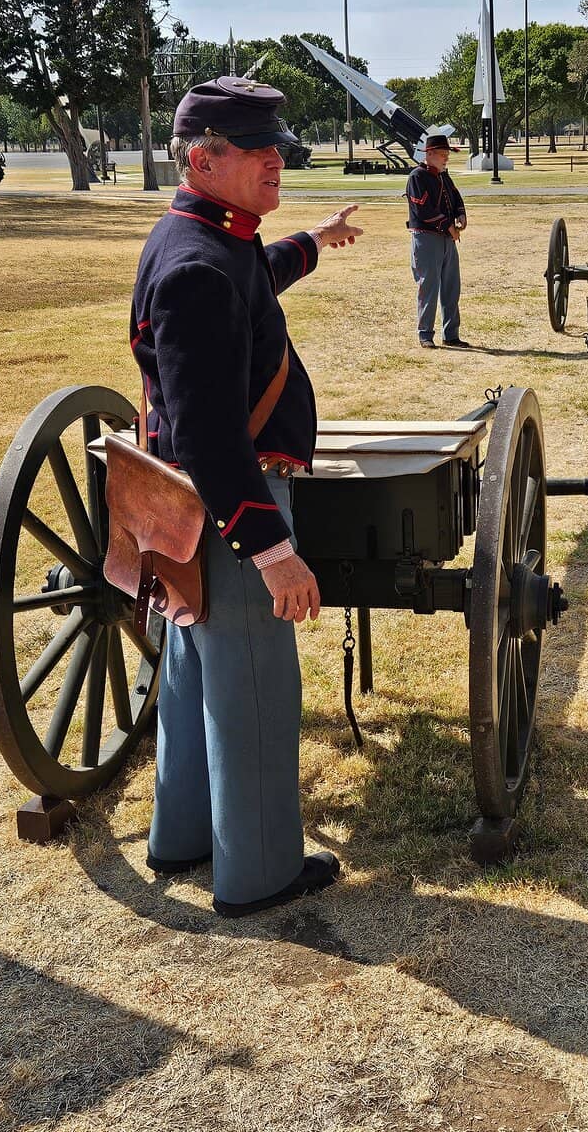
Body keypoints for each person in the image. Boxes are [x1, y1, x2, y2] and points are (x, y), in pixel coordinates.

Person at [130, 76, 362, 918]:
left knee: (197, 672)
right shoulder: (197, 265)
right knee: (256, 686)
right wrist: (273, 549)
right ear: (202, 158)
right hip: (231, 502)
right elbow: (207, 435)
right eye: (255, 148)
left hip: (188, 511)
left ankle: (183, 836)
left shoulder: (201, 236)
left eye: (275, 146)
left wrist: (312, 241)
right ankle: (259, 873)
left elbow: (253, 275)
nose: (275, 158)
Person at [405, 133, 469, 349]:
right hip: (427, 239)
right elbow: (423, 210)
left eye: (446, 154)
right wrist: (448, 226)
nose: (446, 158)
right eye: (442, 154)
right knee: (429, 287)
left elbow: (455, 196)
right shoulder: (417, 177)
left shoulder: (443, 176)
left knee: (452, 288)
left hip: (447, 239)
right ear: (429, 154)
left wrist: (461, 214)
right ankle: (425, 334)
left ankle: (451, 334)